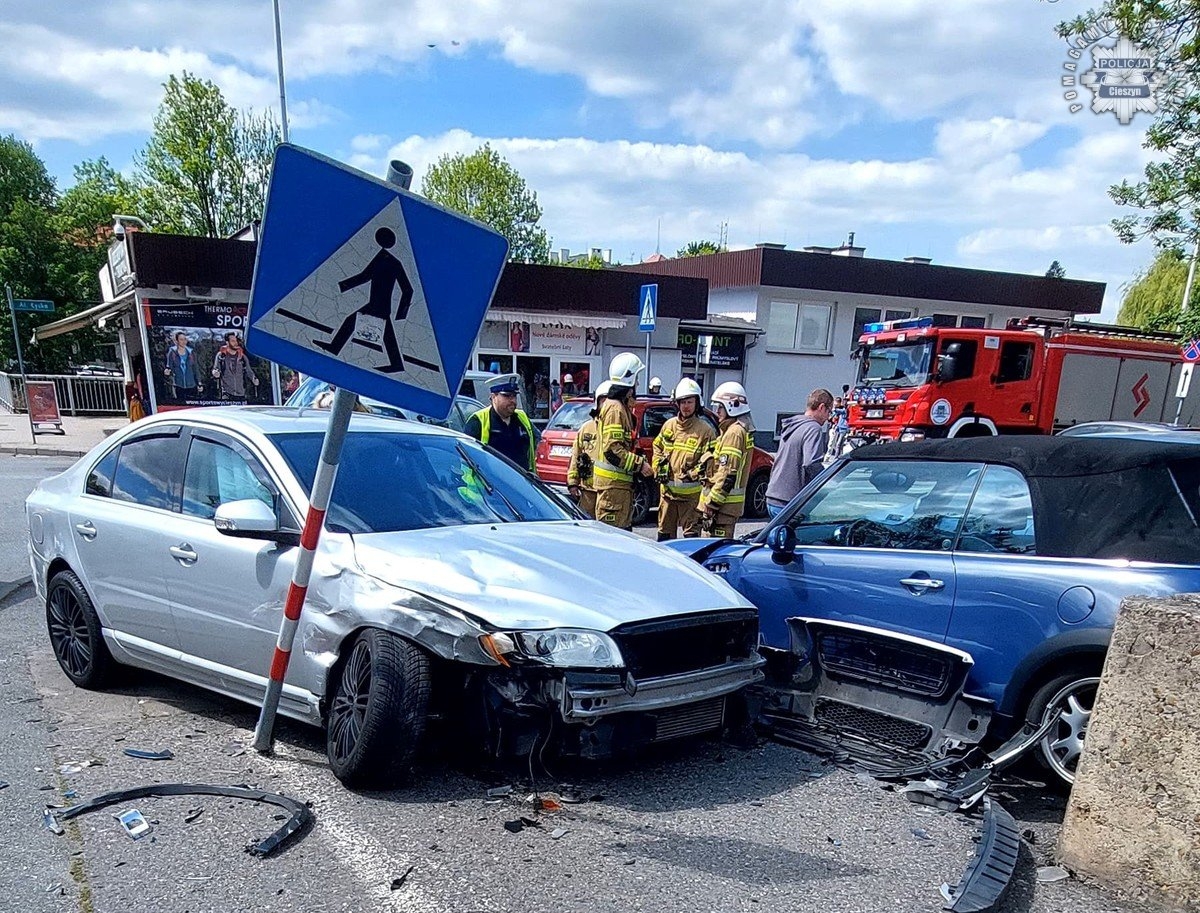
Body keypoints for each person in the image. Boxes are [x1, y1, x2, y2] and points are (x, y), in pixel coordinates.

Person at [594, 352, 653, 529]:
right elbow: (612, 450)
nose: (638, 383)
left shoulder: (620, 407)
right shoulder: (615, 409)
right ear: (630, 380)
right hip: (613, 492)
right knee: (614, 543)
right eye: (637, 379)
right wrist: (640, 465)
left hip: (618, 489)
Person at [652, 378, 714, 540]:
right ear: (677, 403)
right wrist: (658, 466)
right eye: (683, 402)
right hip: (667, 496)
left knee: (691, 542)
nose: (686, 406)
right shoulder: (669, 426)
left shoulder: (705, 431)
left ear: (697, 403)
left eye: (689, 402)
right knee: (664, 539)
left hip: (691, 499)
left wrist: (692, 473)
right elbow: (657, 446)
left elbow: (710, 461)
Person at [765, 388, 834, 518]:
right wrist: (826, 485)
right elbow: (811, 464)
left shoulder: (794, 425)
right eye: (829, 411)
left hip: (773, 496)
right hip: (790, 501)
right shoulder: (813, 428)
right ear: (821, 407)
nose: (828, 417)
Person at [464, 378, 537, 472]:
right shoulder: (478, 421)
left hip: (520, 483)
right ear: (493, 397)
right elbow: (467, 457)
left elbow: (536, 444)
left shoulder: (522, 418)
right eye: (507, 396)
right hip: (490, 482)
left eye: (514, 396)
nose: (513, 400)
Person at [568, 381, 611, 518]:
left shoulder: (619, 429)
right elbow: (576, 456)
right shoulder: (586, 429)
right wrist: (572, 483)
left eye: (609, 402)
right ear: (597, 403)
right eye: (603, 401)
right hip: (588, 491)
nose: (606, 406)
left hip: (610, 492)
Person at [212, 332, 260, 401]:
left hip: (241, 394)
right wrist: (215, 373)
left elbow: (249, 371)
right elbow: (215, 369)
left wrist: (254, 379)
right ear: (227, 342)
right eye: (233, 341)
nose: (235, 343)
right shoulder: (221, 356)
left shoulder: (243, 357)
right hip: (226, 394)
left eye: (236, 341)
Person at [164, 331, 201, 400]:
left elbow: (196, 368)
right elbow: (169, 366)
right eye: (181, 339)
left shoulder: (191, 352)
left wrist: (199, 382)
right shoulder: (172, 352)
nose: (184, 341)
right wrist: (167, 371)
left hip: (191, 385)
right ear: (176, 341)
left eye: (185, 339)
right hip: (178, 386)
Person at [826, 396, 850, 461]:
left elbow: (842, 411)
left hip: (843, 428)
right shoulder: (842, 409)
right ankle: (838, 456)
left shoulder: (846, 410)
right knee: (837, 443)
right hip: (838, 427)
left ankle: (837, 457)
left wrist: (835, 409)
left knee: (839, 443)